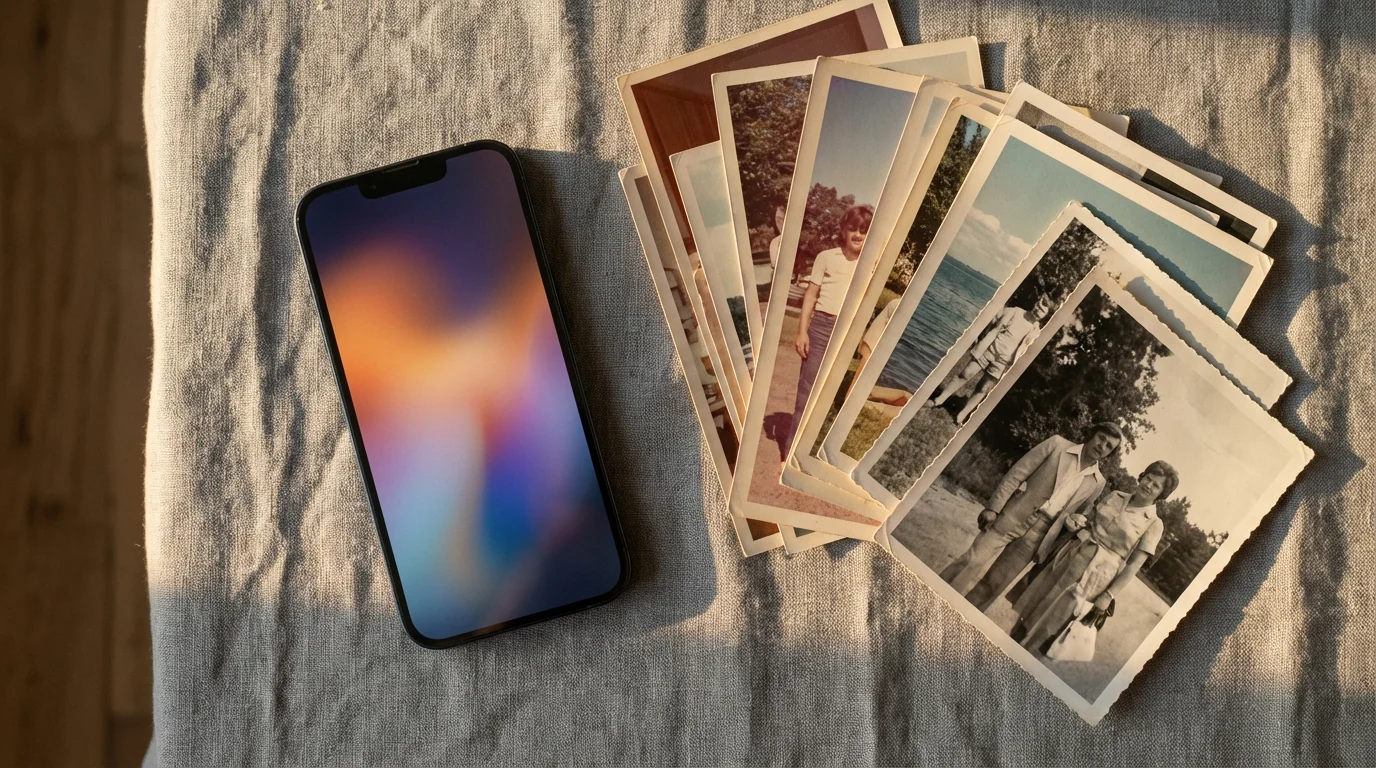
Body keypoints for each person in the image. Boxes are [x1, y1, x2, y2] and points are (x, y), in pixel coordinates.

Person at [940, 422, 1123, 612]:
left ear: (1109, 454)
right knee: (971, 561)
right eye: (1101, 438)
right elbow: (1017, 474)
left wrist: (1074, 523)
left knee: (994, 584)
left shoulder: (1098, 482)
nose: (1103, 446)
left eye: (1109, 446)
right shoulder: (1057, 445)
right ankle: (936, 597)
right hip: (1012, 516)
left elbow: (1081, 515)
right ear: (1092, 435)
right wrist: (994, 508)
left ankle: (959, 617)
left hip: (1039, 535)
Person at [1011, 461, 1178, 656]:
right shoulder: (1116, 496)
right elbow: (1090, 519)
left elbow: (1134, 565)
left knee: (1058, 621)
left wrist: (1108, 596)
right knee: (1036, 601)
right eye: (1148, 478)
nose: (1148, 485)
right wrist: (1078, 523)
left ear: (1161, 495)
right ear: (1142, 476)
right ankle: (1010, 642)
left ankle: (1027, 659)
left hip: (1096, 575)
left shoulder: (1154, 524)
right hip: (1073, 553)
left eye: (1156, 485)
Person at [782, 204, 873, 452]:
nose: (857, 235)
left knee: (826, 393)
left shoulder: (870, 265)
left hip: (847, 332)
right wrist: (802, 331)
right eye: (852, 229)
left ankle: (805, 451)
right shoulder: (826, 257)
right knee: (807, 390)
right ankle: (788, 452)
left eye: (863, 230)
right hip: (821, 326)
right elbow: (810, 296)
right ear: (843, 230)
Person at [926, 294, 1054, 425]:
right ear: (1036, 303)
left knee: (983, 389)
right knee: (965, 374)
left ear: (1045, 315)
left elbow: (1028, 352)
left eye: (1042, 310)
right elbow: (994, 319)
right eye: (1038, 305)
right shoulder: (1015, 311)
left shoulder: (1036, 332)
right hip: (990, 350)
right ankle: (939, 400)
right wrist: (982, 335)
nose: (1038, 310)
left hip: (1003, 363)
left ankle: (961, 415)